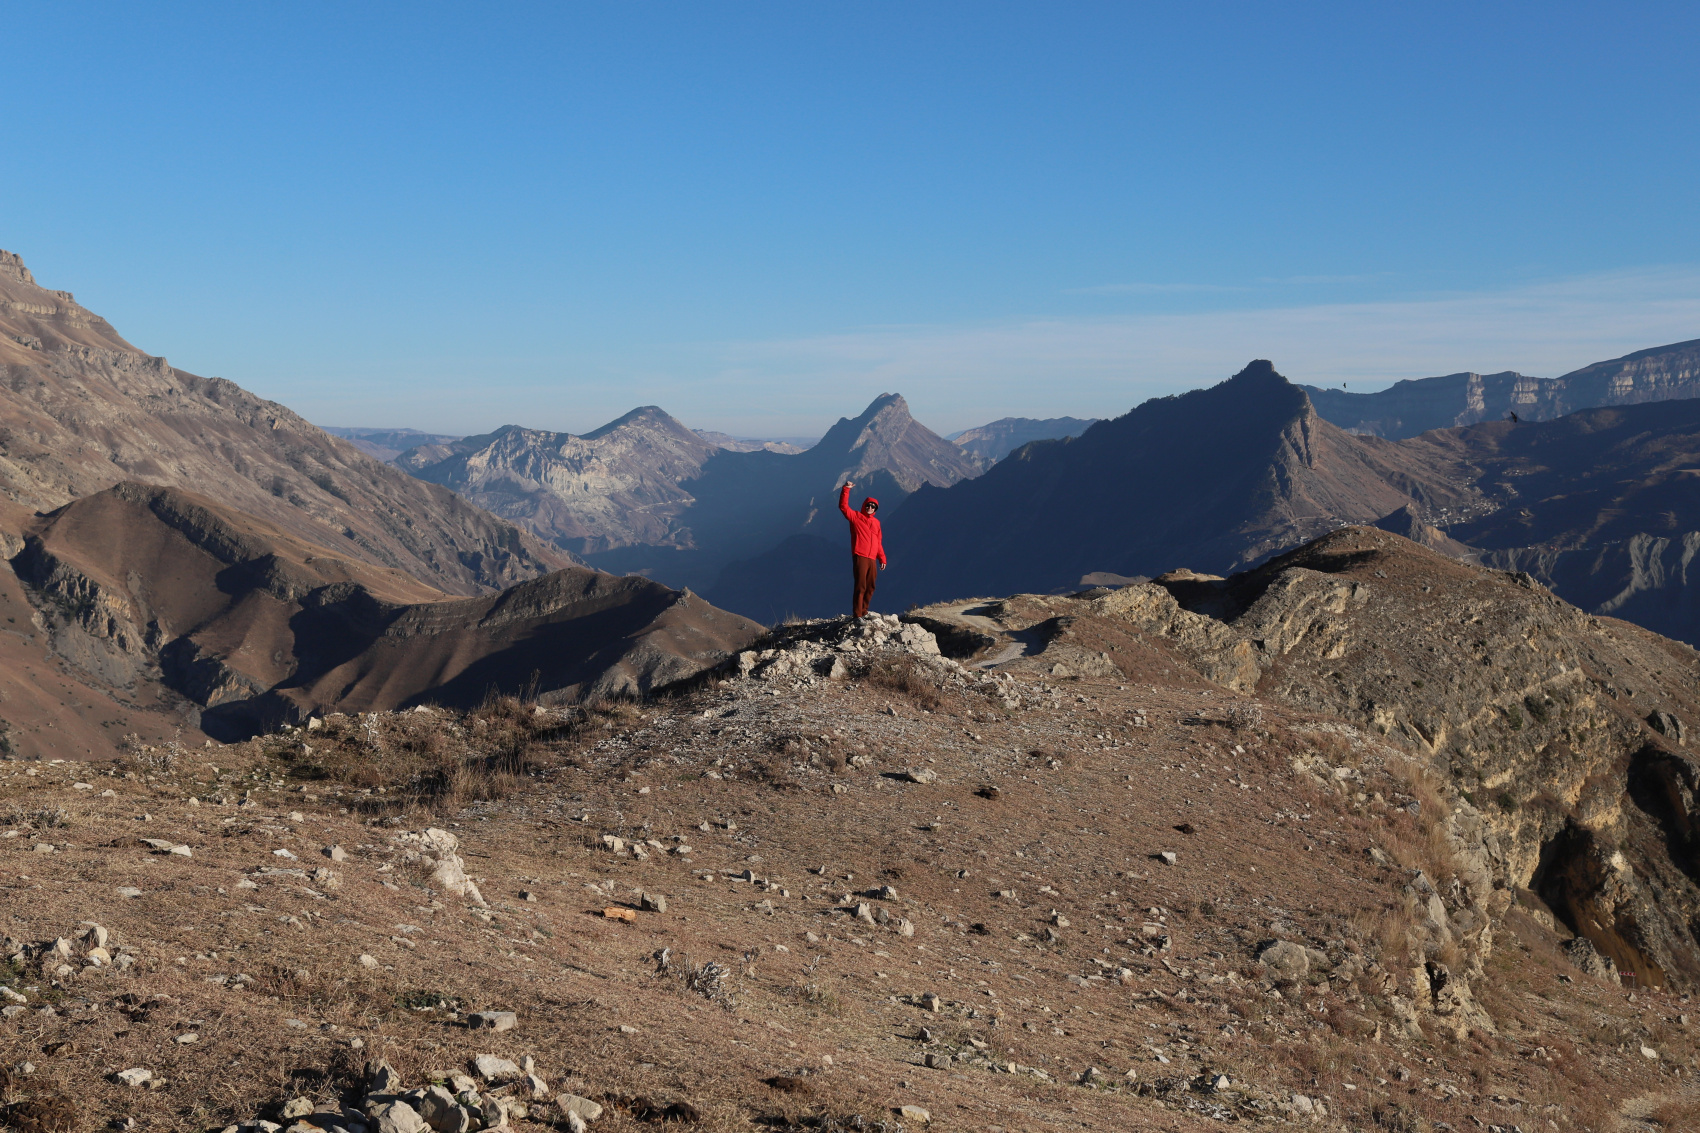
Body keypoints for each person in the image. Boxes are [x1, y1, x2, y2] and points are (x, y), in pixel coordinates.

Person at [838, 481, 886, 617]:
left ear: (875, 509)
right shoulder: (856, 517)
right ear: (864, 505)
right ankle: (857, 615)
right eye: (868, 505)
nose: (870, 508)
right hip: (860, 555)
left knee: (871, 587)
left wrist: (882, 557)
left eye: (873, 506)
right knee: (861, 586)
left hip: (872, 558)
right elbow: (843, 507)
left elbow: (878, 542)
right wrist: (846, 489)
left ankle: (864, 611)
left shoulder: (876, 523)